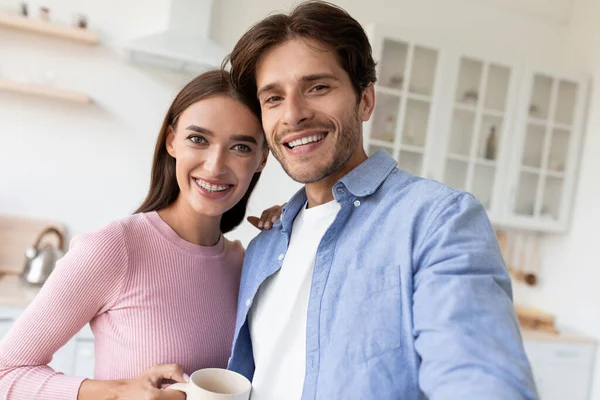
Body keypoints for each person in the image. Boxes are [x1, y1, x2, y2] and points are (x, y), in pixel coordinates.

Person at [224, 1, 538, 399]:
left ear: (366, 99)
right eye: (273, 98)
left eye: (318, 87)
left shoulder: (436, 222)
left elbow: (477, 376)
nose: (294, 114)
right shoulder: (264, 248)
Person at [0, 70, 281, 400]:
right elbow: (8, 372)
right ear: (171, 141)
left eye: (240, 147)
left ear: (262, 157)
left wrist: (293, 229)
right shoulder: (114, 247)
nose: (215, 166)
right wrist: (121, 393)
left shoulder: (246, 264)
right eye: (199, 139)